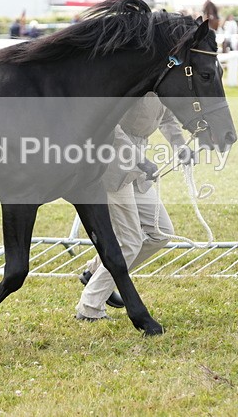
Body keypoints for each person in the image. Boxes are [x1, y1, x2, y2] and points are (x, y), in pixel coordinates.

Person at [76, 93, 190, 321]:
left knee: (160, 233)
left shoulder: (160, 82)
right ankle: (90, 307)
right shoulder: (131, 81)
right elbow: (109, 124)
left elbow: (167, 118)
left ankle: (95, 271)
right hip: (113, 163)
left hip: (138, 166)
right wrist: (138, 158)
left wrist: (180, 145)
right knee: (129, 242)